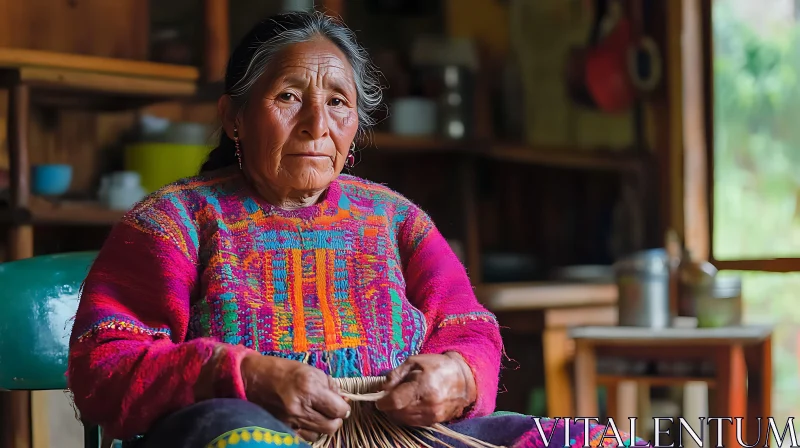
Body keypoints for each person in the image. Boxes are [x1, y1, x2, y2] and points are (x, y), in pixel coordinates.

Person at [67, 10, 651, 448]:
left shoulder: (397, 220)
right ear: (235, 117)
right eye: (289, 97)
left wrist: (458, 374)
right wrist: (241, 374)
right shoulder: (174, 222)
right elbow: (105, 363)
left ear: (356, 126)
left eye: (339, 103)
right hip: (243, 429)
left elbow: (471, 328)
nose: (316, 125)